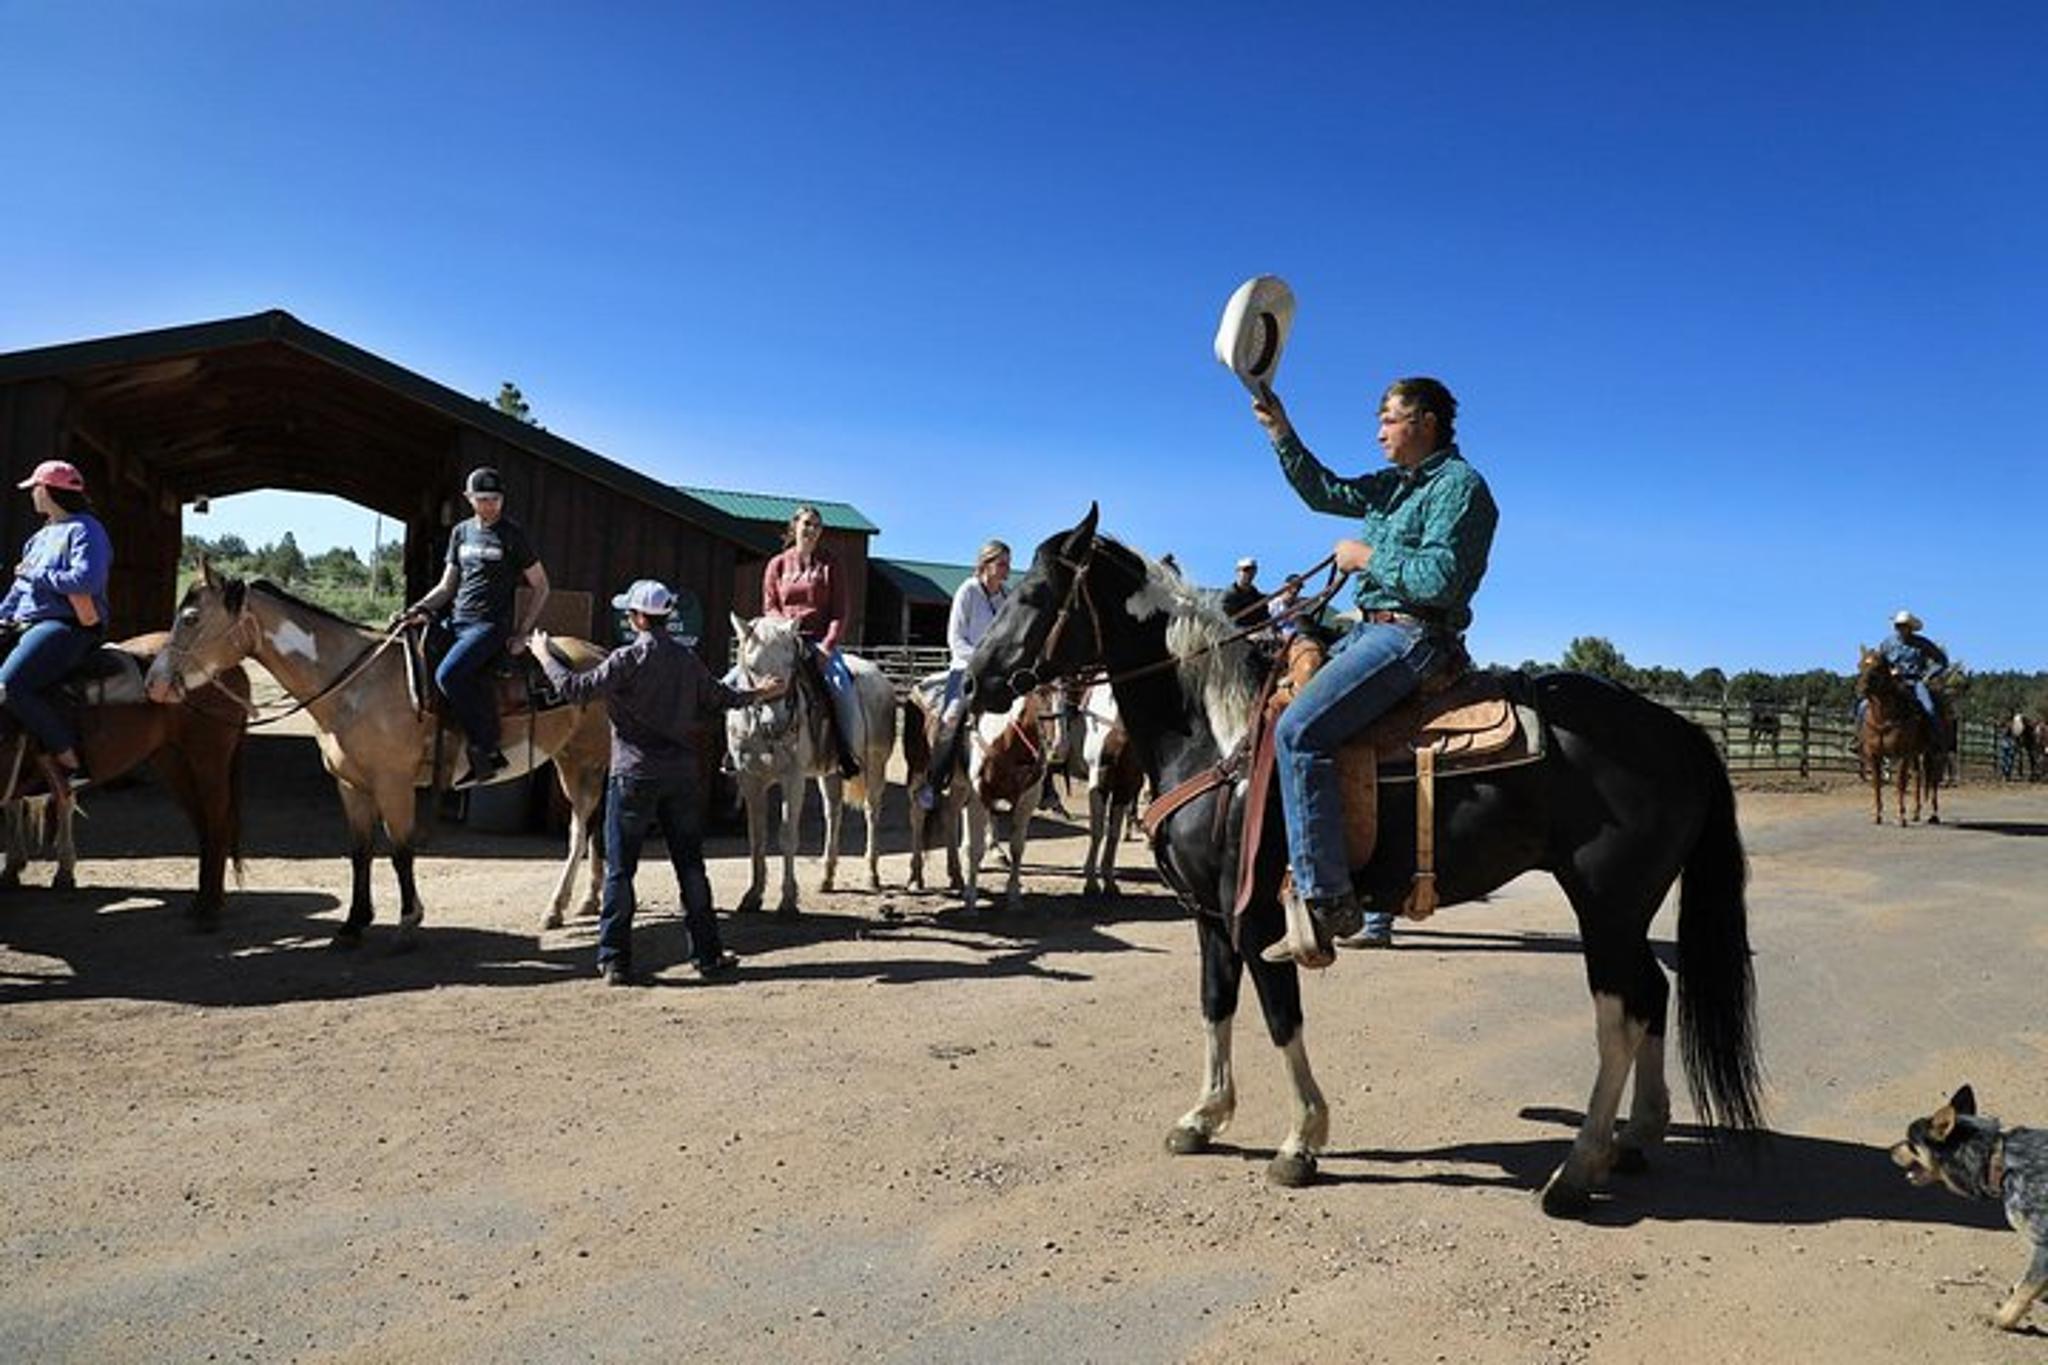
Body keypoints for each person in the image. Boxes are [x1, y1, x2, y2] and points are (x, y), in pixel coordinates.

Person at [1252, 376, 1497, 950]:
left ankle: (1327, 897)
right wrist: (1281, 431)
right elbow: (1324, 492)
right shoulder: (1393, 486)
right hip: (1368, 632)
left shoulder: (1461, 489)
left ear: (1426, 422)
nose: (1379, 429)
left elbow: (1437, 581)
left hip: (1414, 636)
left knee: (1300, 731)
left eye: (1390, 417)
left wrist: (1365, 555)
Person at [532, 580, 786, 986]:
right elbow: (721, 697)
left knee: (620, 872)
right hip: (681, 779)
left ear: (635, 618)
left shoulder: (626, 659)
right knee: (690, 868)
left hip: (633, 776)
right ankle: (707, 955)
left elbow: (573, 688)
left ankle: (615, 960)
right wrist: (760, 692)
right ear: (666, 616)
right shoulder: (687, 662)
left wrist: (544, 655)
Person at [396, 467, 550, 784]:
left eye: (495, 499)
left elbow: (541, 586)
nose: (489, 505)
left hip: (490, 626)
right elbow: (446, 586)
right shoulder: (461, 533)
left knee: (448, 675)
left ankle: (487, 748)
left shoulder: (513, 535)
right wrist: (419, 609)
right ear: (469, 499)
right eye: (482, 499)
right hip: (455, 619)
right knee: (408, 649)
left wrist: (522, 631)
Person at [0, 460, 113, 792]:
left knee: (10, 685)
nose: (32, 495)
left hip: (66, 625)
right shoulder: (37, 539)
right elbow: (18, 592)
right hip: (25, 621)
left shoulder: (86, 529)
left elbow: (87, 580)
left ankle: (70, 760)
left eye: (35, 488)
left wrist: (34, 573)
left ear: (48, 491)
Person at [761, 505, 860, 778]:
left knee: (842, 688)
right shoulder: (777, 564)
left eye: (817, 525)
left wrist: (827, 647)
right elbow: (769, 607)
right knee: (737, 680)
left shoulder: (831, 564)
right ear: (795, 526)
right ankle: (737, 750)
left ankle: (845, 752)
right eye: (807, 524)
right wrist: (785, 629)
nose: (812, 530)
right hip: (783, 642)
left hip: (818, 642)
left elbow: (840, 612)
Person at [918, 538, 1012, 811]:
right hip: (966, 668)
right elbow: (955, 639)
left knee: (1028, 711)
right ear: (986, 564)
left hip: (996, 672)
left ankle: (1041, 785)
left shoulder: (1006, 597)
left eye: (1008, 563)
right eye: (1002, 563)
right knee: (951, 717)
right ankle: (934, 783)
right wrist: (982, 660)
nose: (1007, 569)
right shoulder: (968, 591)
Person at [1221, 557, 1265, 625]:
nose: (1249, 574)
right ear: (1237, 571)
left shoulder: (1257, 597)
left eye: (1253, 571)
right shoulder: (1228, 596)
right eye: (1245, 570)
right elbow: (1226, 621)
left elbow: (1263, 618)